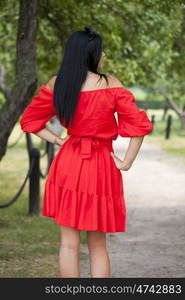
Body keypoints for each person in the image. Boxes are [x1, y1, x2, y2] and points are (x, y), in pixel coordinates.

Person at [20, 25, 154, 278]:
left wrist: (60, 141)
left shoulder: (58, 83)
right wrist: (126, 162)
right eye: (101, 51)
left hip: (69, 163)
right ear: (91, 54)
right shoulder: (109, 82)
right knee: (97, 244)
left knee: (68, 245)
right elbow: (139, 125)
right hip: (101, 165)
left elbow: (30, 122)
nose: (103, 55)